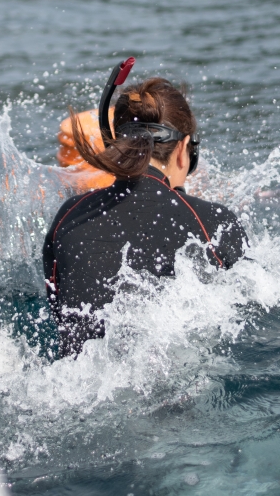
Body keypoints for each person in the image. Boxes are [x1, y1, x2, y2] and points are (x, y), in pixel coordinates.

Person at [42, 76, 247, 358]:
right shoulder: (214, 221)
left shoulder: (68, 216)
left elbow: (59, 312)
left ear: (116, 147)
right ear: (183, 150)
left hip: (70, 386)